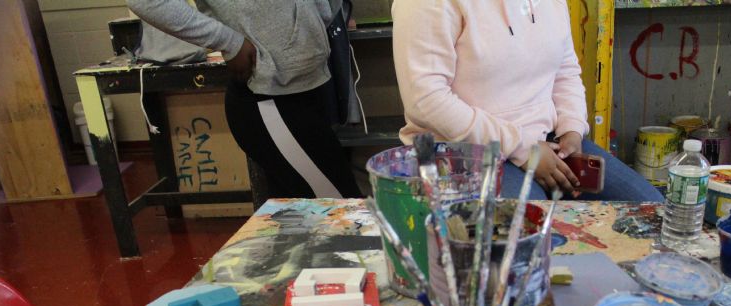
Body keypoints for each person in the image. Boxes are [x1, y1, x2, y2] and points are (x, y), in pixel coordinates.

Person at [391, 0, 663, 202]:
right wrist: (523, 148)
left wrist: (572, 129)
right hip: (465, 154)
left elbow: (565, 70)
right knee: (525, 244)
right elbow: (426, 100)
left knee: (652, 211)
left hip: (547, 143)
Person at [128, 0, 362, 200]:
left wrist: (315, 19)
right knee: (347, 215)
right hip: (269, 98)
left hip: (307, 85)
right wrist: (228, 41)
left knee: (306, 219)